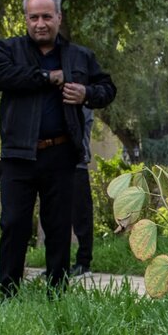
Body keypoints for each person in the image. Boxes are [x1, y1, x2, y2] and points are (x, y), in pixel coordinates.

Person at [0, 0, 116, 296]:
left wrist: (86, 94)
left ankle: (56, 292)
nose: (41, 23)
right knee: (13, 223)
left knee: (58, 227)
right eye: (34, 17)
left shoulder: (79, 56)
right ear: (26, 20)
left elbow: (107, 88)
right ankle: (8, 292)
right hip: (19, 154)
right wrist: (48, 77)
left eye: (47, 16)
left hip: (61, 152)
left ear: (59, 17)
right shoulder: (9, 49)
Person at [70, 107, 96, 278]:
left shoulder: (82, 101)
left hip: (77, 163)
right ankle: (59, 264)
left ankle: (83, 263)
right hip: (57, 164)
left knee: (82, 215)